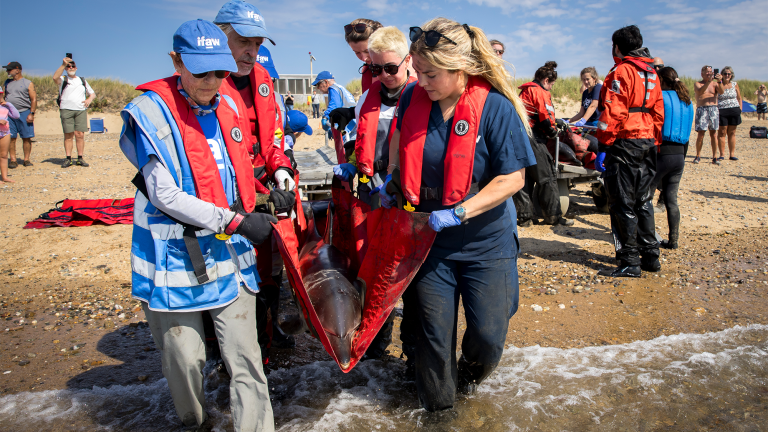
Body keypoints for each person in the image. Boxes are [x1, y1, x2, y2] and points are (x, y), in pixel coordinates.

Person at [118, 19, 275, 431]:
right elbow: (165, 194)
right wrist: (237, 221)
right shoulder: (148, 113)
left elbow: (234, 170)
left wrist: (261, 195)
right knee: (185, 359)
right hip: (172, 259)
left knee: (246, 358)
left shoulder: (228, 104)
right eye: (201, 71)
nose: (212, 82)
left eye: (221, 72)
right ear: (176, 61)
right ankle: (195, 422)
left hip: (229, 255)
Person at [381, 18, 536, 411]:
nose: (421, 81)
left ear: (460, 69)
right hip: (430, 244)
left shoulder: (495, 108)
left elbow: (513, 178)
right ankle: (440, 413)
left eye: (430, 74)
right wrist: (393, 180)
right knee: (433, 338)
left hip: (486, 243)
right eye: (417, 72)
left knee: (488, 336)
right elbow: (400, 142)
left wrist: (460, 211)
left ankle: (467, 379)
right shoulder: (410, 98)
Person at [213, 0, 298, 364]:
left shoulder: (265, 84)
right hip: (224, 193)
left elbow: (274, 139)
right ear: (221, 37)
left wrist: (280, 167)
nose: (252, 52)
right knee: (224, 269)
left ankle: (265, 335)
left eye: (258, 44)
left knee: (267, 265)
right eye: (244, 42)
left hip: (263, 188)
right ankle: (226, 345)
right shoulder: (206, 82)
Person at [332, 26, 417, 362]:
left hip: (406, 199)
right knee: (372, 270)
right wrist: (354, 164)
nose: (383, 75)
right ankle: (374, 345)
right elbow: (363, 139)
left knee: (407, 275)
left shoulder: (421, 94)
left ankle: (412, 346)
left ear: (407, 61)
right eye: (374, 69)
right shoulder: (367, 97)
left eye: (390, 68)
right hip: (372, 194)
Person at [593, 25, 664, 278]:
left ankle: (630, 262)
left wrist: (603, 145)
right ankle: (651, 256)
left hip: (624, 143)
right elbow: (658, 112)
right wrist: (654, 141)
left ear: (617, 47)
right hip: (647, 143)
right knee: (643, 199)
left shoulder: (621, 71)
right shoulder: (652, 73)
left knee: (622, 203)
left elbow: (612, 112)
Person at [514, 61, 574, 226]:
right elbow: (544, 117)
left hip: (521, 137)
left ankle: (525, 217)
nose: (552, 88)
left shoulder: (526, 91)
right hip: (534, 138)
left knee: (524, 178)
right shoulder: (540, 92)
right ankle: (553, 216)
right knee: (547, 176)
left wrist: (557, 121)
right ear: (546, 81)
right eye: (552, 84)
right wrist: (553, 132)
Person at [651, 67, 693, 250]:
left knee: (645, 196)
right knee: (671, 200)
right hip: (680, 157)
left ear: (662, 80)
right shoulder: (687, 101)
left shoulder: (662, 98)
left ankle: (647, 237)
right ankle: (673, 240)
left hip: (663, 154)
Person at [53, 57, 96, 168]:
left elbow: (92, 93)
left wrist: (89, 100)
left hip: (80, 110)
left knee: (80, 134)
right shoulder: (63, 79)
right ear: (66, 68)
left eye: (72, 66)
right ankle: (68, 159)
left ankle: (80, 158)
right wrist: (63, 65)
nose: (71, 68)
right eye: (69, 66)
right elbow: (54, 78)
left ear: (76, 68)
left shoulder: (82, 80)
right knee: (68, 135)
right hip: (66, 109)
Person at [313, 71, 357, 163]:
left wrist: (325, 117)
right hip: (355, 122)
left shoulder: (333, 89)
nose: (318, 88)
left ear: (326, 82)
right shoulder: (341, 88)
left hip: (347, 124)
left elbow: (334, 106)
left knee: (345, 154)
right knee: (353, 153)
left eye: (318, 84)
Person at [2, 61, 36, 168]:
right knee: (11, 137)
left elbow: (33, 99)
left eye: (9, 69)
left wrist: (31, 113)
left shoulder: (28, 83)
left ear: (17, 70)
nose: (7, 71)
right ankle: (13, 160)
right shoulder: (7, 83)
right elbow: (2, 96)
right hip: (10, 114)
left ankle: (26, 159)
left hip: (24, 112)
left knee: (26, 137)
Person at [693, 66, 724, 164]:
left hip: (713, 108)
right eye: (707, 72)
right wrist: (708, 82)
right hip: (702, 108)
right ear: (702, 74)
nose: (709, 74)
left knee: (714, 134)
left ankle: (715, 156)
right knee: (701, 134)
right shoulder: (698, 83)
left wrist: (720, 81)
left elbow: (722, 92)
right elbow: (701, 91)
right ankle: (698, 155)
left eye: (710, 72)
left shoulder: (715, 84)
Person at [345, 18, 383, 94]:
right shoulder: (368, 69)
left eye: (367, 51)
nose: (364, 58)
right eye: (357, 52)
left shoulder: (401, 67)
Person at [716, 66, 742, 161]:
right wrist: (719, 82)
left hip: (734, 110)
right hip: (722, 110)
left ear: (731, 75)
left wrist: (740, 109)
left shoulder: (735, 84)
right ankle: (722, 154)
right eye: (725, 73)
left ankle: (732, 154)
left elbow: (739, 98)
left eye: (729, 74)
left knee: (732, 133)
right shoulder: (718, 84)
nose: (727, 75)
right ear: (722, 75)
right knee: (722, 132)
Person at [0, 87, 19, 183]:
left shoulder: (5, 106)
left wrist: (9, 104)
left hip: (4, 132)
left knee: (3, 155)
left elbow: (16, 116)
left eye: (0, 94)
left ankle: (4, 177)